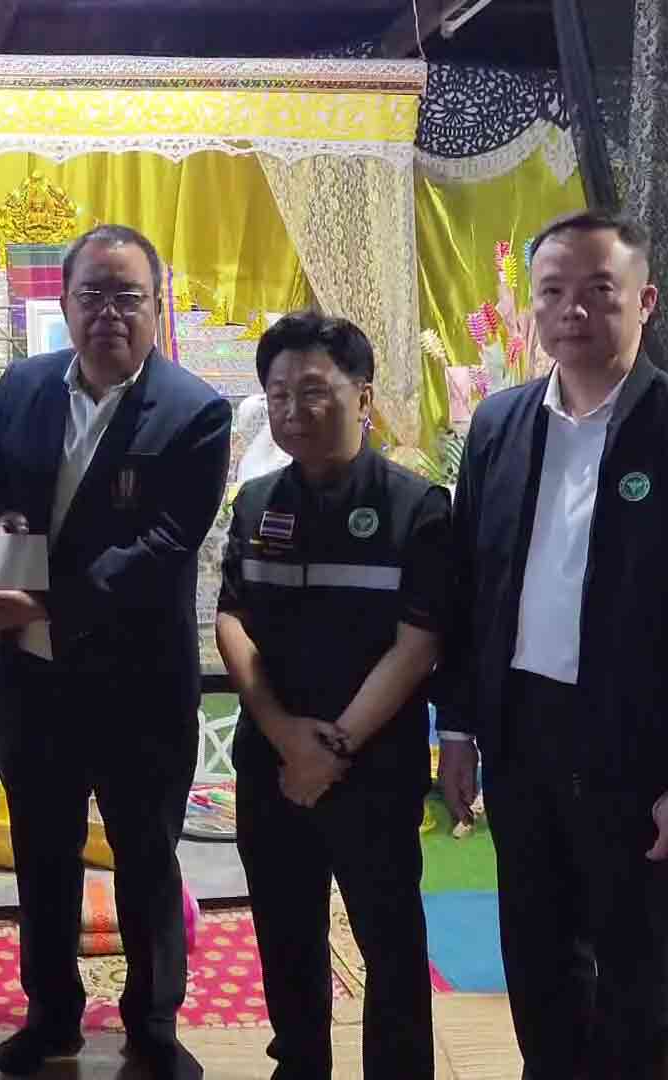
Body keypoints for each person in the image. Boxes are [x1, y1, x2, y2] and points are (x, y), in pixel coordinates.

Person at [434, 210, 668, 1078]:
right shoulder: (500, 425)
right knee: (535, 946)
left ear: (644, 301)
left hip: (633, 743)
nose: (572, 310)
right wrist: (458, 728)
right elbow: (469, 590)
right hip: (520, 729)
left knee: (627, 959)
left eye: (598, 291)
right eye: (553, 292)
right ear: (533, 307)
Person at [0, 224, 232, 1080]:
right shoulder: (24, 384)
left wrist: (44, 599)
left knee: (146, 857)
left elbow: (164, 544)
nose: (109, 313)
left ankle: (152, 1026)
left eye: (128, 297)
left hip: (137, 684)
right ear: (65, 302)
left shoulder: (195, 410)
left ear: (157, 306)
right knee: (43, 855)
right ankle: (52, 1018)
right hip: (32, 676)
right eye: (92, 296)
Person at [216, 312, 446, 1078]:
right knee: (286, 937)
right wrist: (286, 736)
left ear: (364, 396)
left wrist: (334, 746)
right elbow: (231, 619)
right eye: (278, 394)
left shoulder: (417, 508)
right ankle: (300, 1063)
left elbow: (418, 644)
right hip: (272, 766)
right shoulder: (256, 504)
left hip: (374, 770)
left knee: (390, 942)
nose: (293, 411)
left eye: (313, 390)